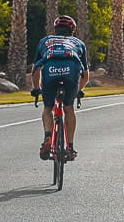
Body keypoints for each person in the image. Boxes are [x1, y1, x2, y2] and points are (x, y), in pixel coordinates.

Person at [31, 15, 89, 161]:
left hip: (50, 72)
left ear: (55, 30)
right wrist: (78, 90)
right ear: (72, 30)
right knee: (68, 108)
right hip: (71, 71)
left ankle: (47, 137)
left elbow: (36, 69)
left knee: (48, 108)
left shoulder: (45, 41)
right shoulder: (78, 43)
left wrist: (36, 88)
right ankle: (70, 147)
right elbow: (85, 74)